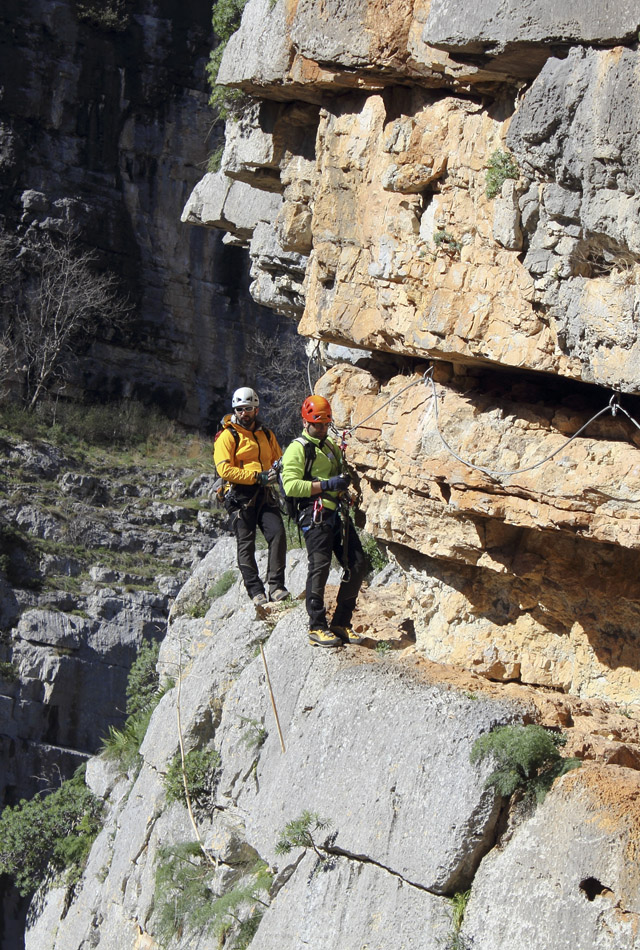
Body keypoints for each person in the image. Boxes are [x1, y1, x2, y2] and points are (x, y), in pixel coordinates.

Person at [280, 394, 366, 647]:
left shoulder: (328, 445)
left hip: (336, 512)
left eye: (326, 424)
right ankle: (316, 626)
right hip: (315, 514)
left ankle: (341, 622)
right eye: (318, 424)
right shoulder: (298, 448)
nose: (322, 428)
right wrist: (327, 484)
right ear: (306, 423)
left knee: (357, 564)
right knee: (320, 567)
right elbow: (291, 485)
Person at [214, 386, 288, 606]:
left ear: (256, 409)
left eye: (247, 409)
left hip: (264, 492)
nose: (243, 413)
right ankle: (255, 590)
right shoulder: (228, 436)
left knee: (278, 534)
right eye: (239, 409)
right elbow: (224, 470)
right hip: (239, 495)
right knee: (246, 544)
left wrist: (277, 471)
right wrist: (257, 477)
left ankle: (276, 586)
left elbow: (279, 459)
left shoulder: (266, 434)